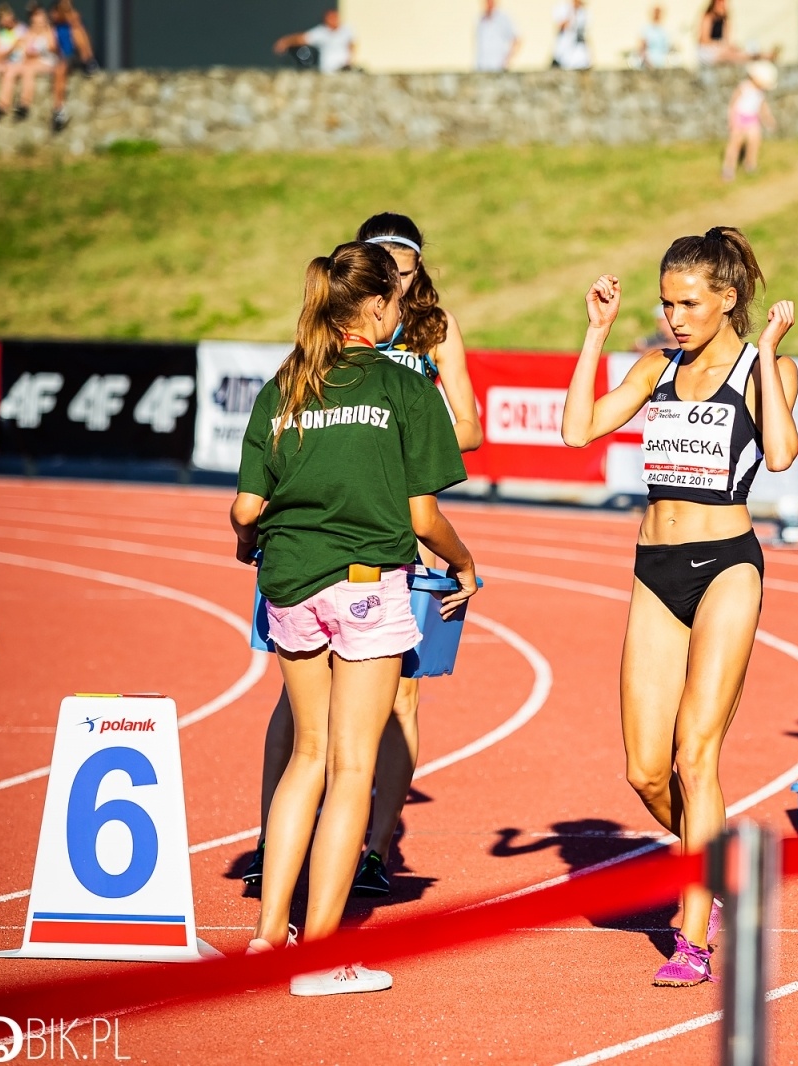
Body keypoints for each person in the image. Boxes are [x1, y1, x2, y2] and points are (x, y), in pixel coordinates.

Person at [233, 241, 476, 995]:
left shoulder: (286, 385)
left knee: (305, 756)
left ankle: (270, 936)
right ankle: (322, 957)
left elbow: (246, 508)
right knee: (351, 768)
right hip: (368, 584)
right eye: (398, 300)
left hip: (290, 582)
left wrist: (252, 544)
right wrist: (465, 563)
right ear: (377, 307)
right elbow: (423, 514)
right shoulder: (403, 385)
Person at [562, 227, 798, 985]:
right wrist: (596, 333)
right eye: (666, 304)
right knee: (644, 768)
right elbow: (577, 431)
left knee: (698, 753)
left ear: (727, 299)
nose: (674, 318)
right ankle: (721, 858)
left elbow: (785, 454)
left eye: (688, 303)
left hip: (728, 565)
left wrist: (764, 355)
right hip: (655, 570)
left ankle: (692, 938)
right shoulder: (655, 366)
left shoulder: (765, 368)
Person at [0, 4, 57, 121]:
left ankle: (24, 104)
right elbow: (24, 51)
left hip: (46, 62)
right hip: (29, 62)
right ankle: (2, 104)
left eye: (40, 22)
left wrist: (34, 53)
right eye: (36, 22)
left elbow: (51, 48)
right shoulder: (29, 33)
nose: (38, 24)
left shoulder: (50, 32)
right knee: (10, 70)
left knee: (28, 70)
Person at [721, 60, 775, 181]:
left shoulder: (760, 92)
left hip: (752, 120)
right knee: (735, 145)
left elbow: (762, 107)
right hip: (739, 119)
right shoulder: (744, 87)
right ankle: (728, 168)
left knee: (754, 142)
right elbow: (733, 104)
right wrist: (731, 120)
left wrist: (768, 119)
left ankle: (750, 164)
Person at [49, 0, 96, 132]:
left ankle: (88, 60)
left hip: (74, 56)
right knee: (60, 69)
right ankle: (59, 109)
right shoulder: (53, 27)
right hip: (60, 59)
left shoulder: (74, 24)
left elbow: (72, 17)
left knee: (77, 30)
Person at [273, 8, 354, 74]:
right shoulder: (321, 32)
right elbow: (302, 38)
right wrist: (285, 41)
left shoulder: (346, 30)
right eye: (330, 18)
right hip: (327, 71)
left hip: (343, 71)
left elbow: (351, 45)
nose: (332, 20)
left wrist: (349, 60)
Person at [474, 0, 519, 73]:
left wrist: (507, 61)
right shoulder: (480, 20)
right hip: (481, 68)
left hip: (498, 68)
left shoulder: (503, 18)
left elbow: (517, 40)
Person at [696, 0, 747, 65]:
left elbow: (727, 40)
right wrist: (719, 45)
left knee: (737, 53)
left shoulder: (724, 19)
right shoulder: (708, 17)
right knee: (732, 55)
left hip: (720, 49)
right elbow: (704, 39)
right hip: (707, 50)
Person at [551, 0, 590, 70]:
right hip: (564, 49)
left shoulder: (583, 12)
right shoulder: (562, 8)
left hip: (577, 50)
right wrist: (571, 13)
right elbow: (561, 26)